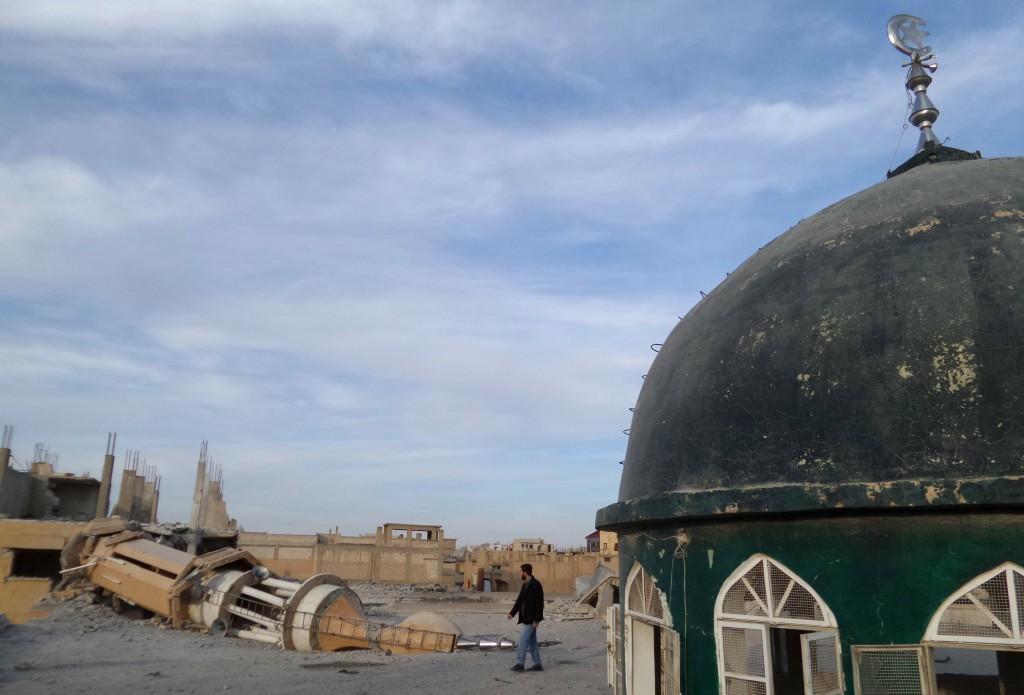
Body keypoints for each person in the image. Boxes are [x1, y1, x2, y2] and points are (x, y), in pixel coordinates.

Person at [507, 563, 544, 672]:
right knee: (532, 642)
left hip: (532, 619)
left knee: (522, 640)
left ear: (525, 572)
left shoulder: (536, 585)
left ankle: (520, 664)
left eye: (521, 571)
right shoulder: (525, 584)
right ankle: (537, 665)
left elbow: (539, 604)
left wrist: (537, 619)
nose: (520, 573)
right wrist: (512, 613)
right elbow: (519, 600)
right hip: (526, 618)